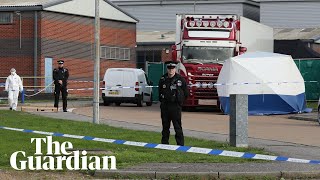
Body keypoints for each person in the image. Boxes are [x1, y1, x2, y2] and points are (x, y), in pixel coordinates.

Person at [158, 61, 188, 146]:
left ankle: (180, 144)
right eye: (169, 68)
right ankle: (164, 144)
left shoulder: (180, 79)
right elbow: (159, 92)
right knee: (165, 126)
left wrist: (179, 102)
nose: (171, 70)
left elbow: (186, 93)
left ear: (175, 69)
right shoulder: (163, 79)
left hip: (175, 106)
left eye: (172, 68)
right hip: (165, 106)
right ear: (167, 69)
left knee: (177, 126)